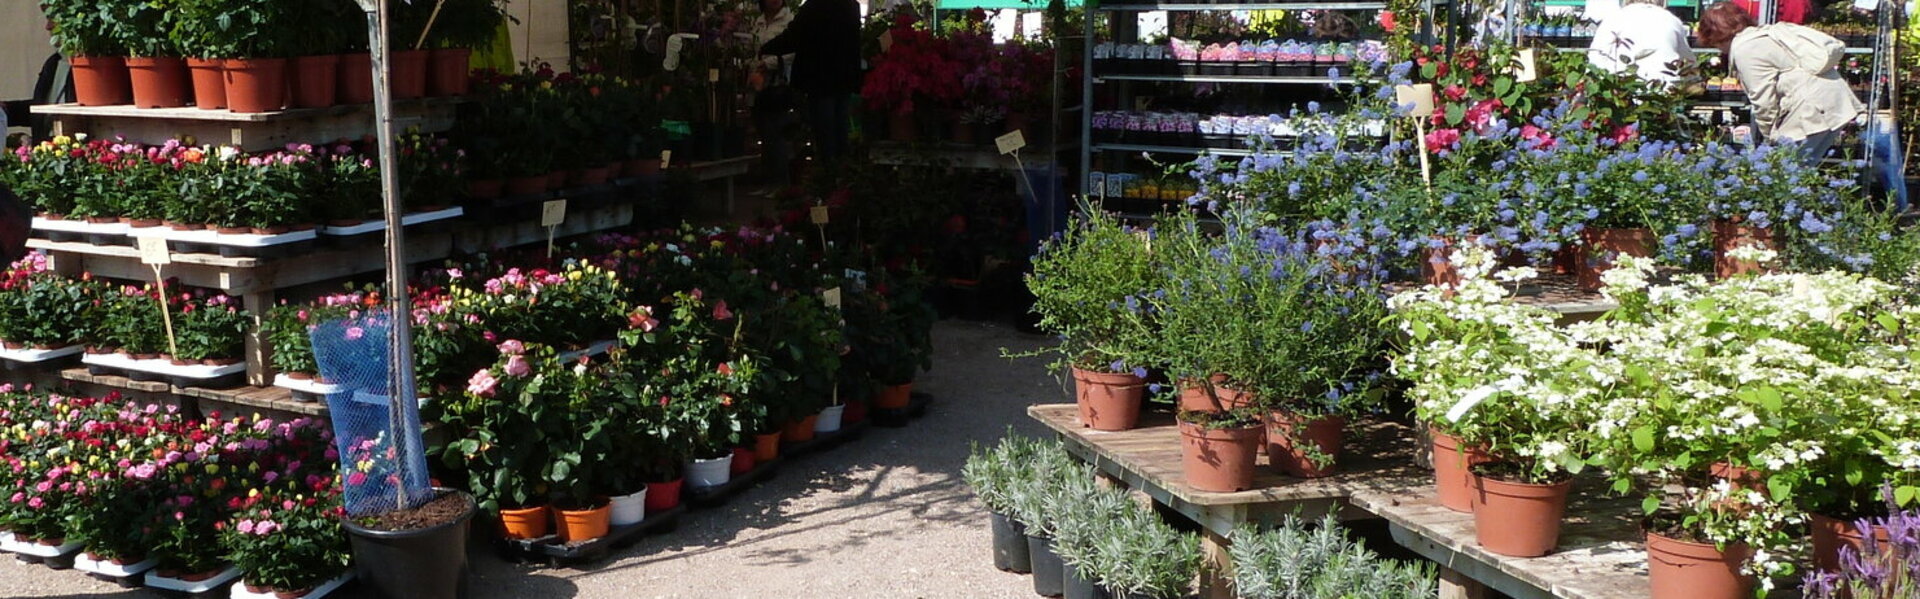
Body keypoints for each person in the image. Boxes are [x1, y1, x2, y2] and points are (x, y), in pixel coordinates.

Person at [1696, 2, 1862, 164]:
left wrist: (1771, 137)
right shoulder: (1764, 34)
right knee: (1803, 169)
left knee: (1786, 172)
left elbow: (1763, 99)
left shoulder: (1746, 49)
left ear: (1715, 35)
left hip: (1811, 108)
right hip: (1834, 99)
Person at [760, 0, 861, 163]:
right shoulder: (851, 6)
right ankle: (841, 172)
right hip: (843, 79)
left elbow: (794, 37)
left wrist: (766, 49)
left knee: (824, 132)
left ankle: (828, 172)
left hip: (820, 79)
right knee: (840, 127)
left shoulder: (815, 7)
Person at [1586, 0, 1696, 85]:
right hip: (1664, 92)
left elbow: (1595, 59)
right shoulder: (1672, 20)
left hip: (1623, 91)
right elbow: (1688, 63)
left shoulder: (1614, 19)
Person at [750, 0, 797, 185]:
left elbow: (793, 51)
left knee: (777, 134)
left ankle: (781, 182)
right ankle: (768, 181)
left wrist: (769, 63)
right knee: (764, 132)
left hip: (778, 83)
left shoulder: (789, 20)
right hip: (759, 84)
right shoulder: (758, 21)